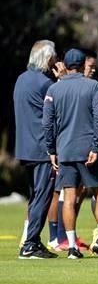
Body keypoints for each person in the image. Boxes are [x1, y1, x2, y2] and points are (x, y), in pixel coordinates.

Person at [42, 48, 98, 259]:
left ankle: (72, 247)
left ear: (64, 65)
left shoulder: (53, 90)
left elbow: (47, 123)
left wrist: (51, 150)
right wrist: (95, 146)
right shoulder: (93, 86)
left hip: (65, 150)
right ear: (84, 64)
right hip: (88, 151)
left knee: (69, 197)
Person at [14, 40, 61, 259]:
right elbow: (57, 112)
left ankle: (32, 240)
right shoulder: (46, 84)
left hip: (24, 146)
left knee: (35, 196)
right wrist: (61, 78)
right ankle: (30, 244)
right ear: (48, 58)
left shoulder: (21, 79)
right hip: (42, 148)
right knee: (43, 196)